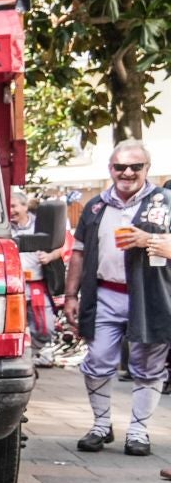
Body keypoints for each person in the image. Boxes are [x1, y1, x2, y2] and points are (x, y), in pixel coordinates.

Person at [64, 141, 171, 456]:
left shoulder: (165, 202)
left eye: (135, 166)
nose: (127, 173)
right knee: (97, 361)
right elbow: (78, 254)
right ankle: (101, 425)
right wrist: (70, 295)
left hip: (151, 297)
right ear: (110, 169)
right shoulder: (95, 206)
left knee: (148, 365)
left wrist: (150, 239)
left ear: (147, 168)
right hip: (105, 294)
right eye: (120, 166)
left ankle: (138, 431)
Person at [9, 188, 66, 368]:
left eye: (14, 206)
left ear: (25, 206)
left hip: (37, 283)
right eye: (8, 207)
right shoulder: (3, 226)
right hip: (11, 284)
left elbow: (61, 247)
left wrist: (49, 256)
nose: (11, 211)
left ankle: (35, 353)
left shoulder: (41, 225)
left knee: (45, 326)